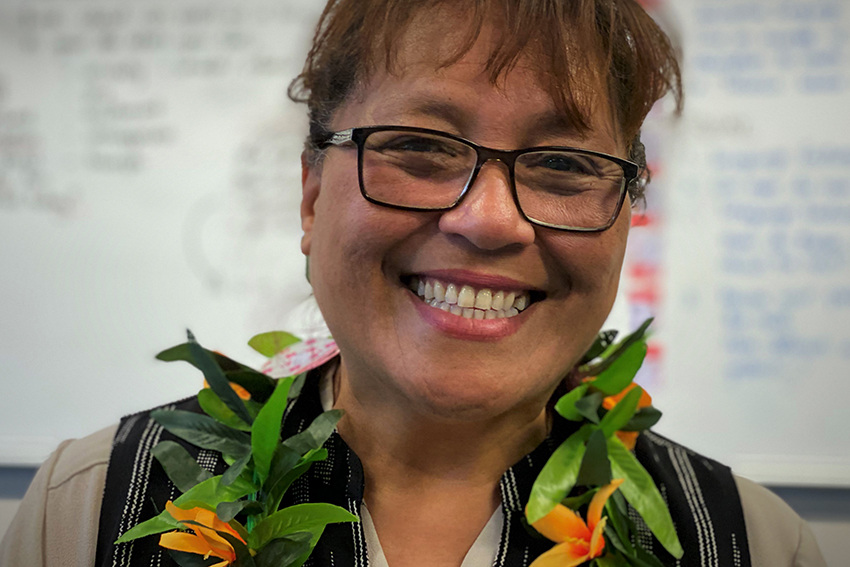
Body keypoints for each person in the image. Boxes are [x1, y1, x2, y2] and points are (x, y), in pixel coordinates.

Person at [0, 1, 828, 566]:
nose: (492, 220)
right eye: (421, 147)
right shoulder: (85, 514)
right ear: (312, 193)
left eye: (566, 165)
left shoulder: (749, 541)